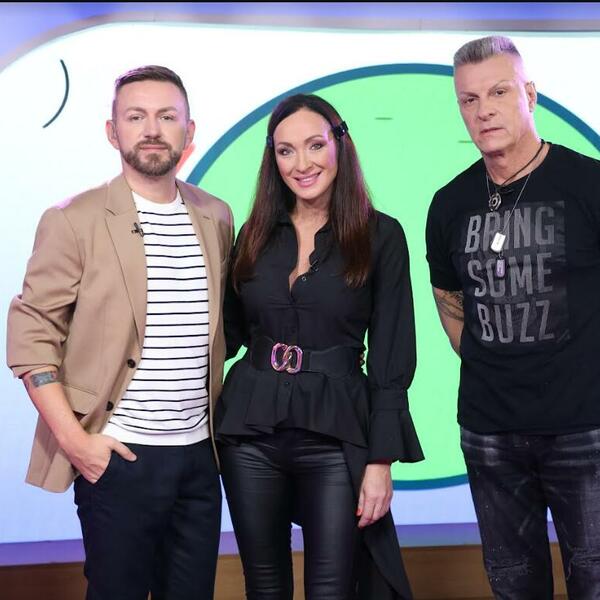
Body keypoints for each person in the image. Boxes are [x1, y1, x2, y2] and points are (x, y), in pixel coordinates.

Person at [6, 65, 233, 600]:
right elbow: (32, 337)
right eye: (136, 117)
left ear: (189, 131)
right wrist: (77, 444)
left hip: (199, 457)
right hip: (118, 456)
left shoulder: (216, 215)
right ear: (113, 131)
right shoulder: (73, 219)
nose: (152, 129)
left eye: (166, 117)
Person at [215, 93, 423, 600]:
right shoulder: (253, 234)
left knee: (332, 590)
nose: (301, 164)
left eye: (314, 145)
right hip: (250, 435)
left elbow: (392, 357)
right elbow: (227, 332)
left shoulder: (381, 236)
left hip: (335, 436)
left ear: (339, 145)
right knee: (264, 586)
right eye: (285, 151)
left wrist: (381, 462)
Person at [426, 35, 600, 599]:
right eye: (469, 99)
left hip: (585, 428)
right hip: (490, 433)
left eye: (499, 92)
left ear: (530, 94)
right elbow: (449, 300)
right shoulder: (449, 203)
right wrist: (493, 361)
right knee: (513, 587)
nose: (484, 110)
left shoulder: (589, 184)